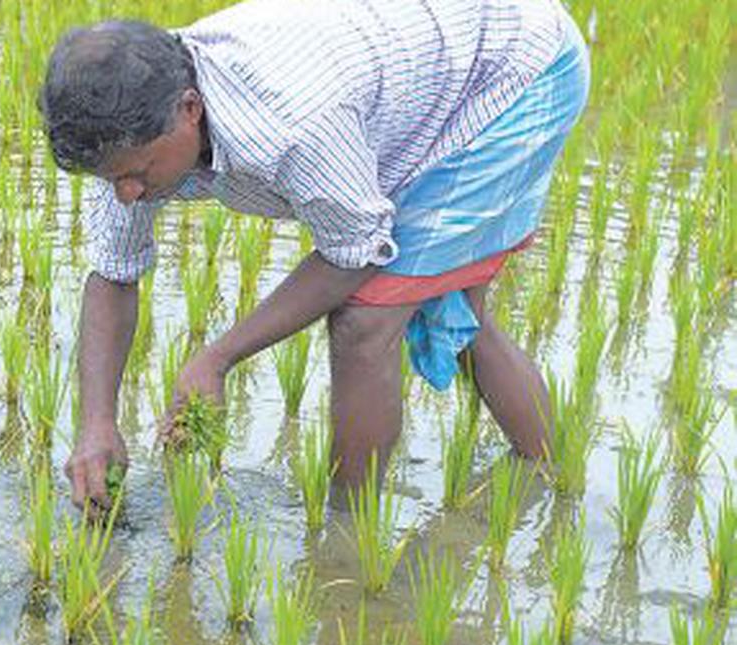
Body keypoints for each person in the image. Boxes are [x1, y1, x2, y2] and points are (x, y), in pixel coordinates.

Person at [38, 0, 590, 513]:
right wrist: (97, 423)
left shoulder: (289, 123)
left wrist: (217, 357)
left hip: (517, 70)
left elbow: (357, 252)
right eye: (113, 179)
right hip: (425, 77)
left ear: (189, 109)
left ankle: (349, 537)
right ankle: (555, 484)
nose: (127, 194)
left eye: (137, 175)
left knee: (366, 320)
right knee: (451, 311)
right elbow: (112, 273)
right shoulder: (126, 133)